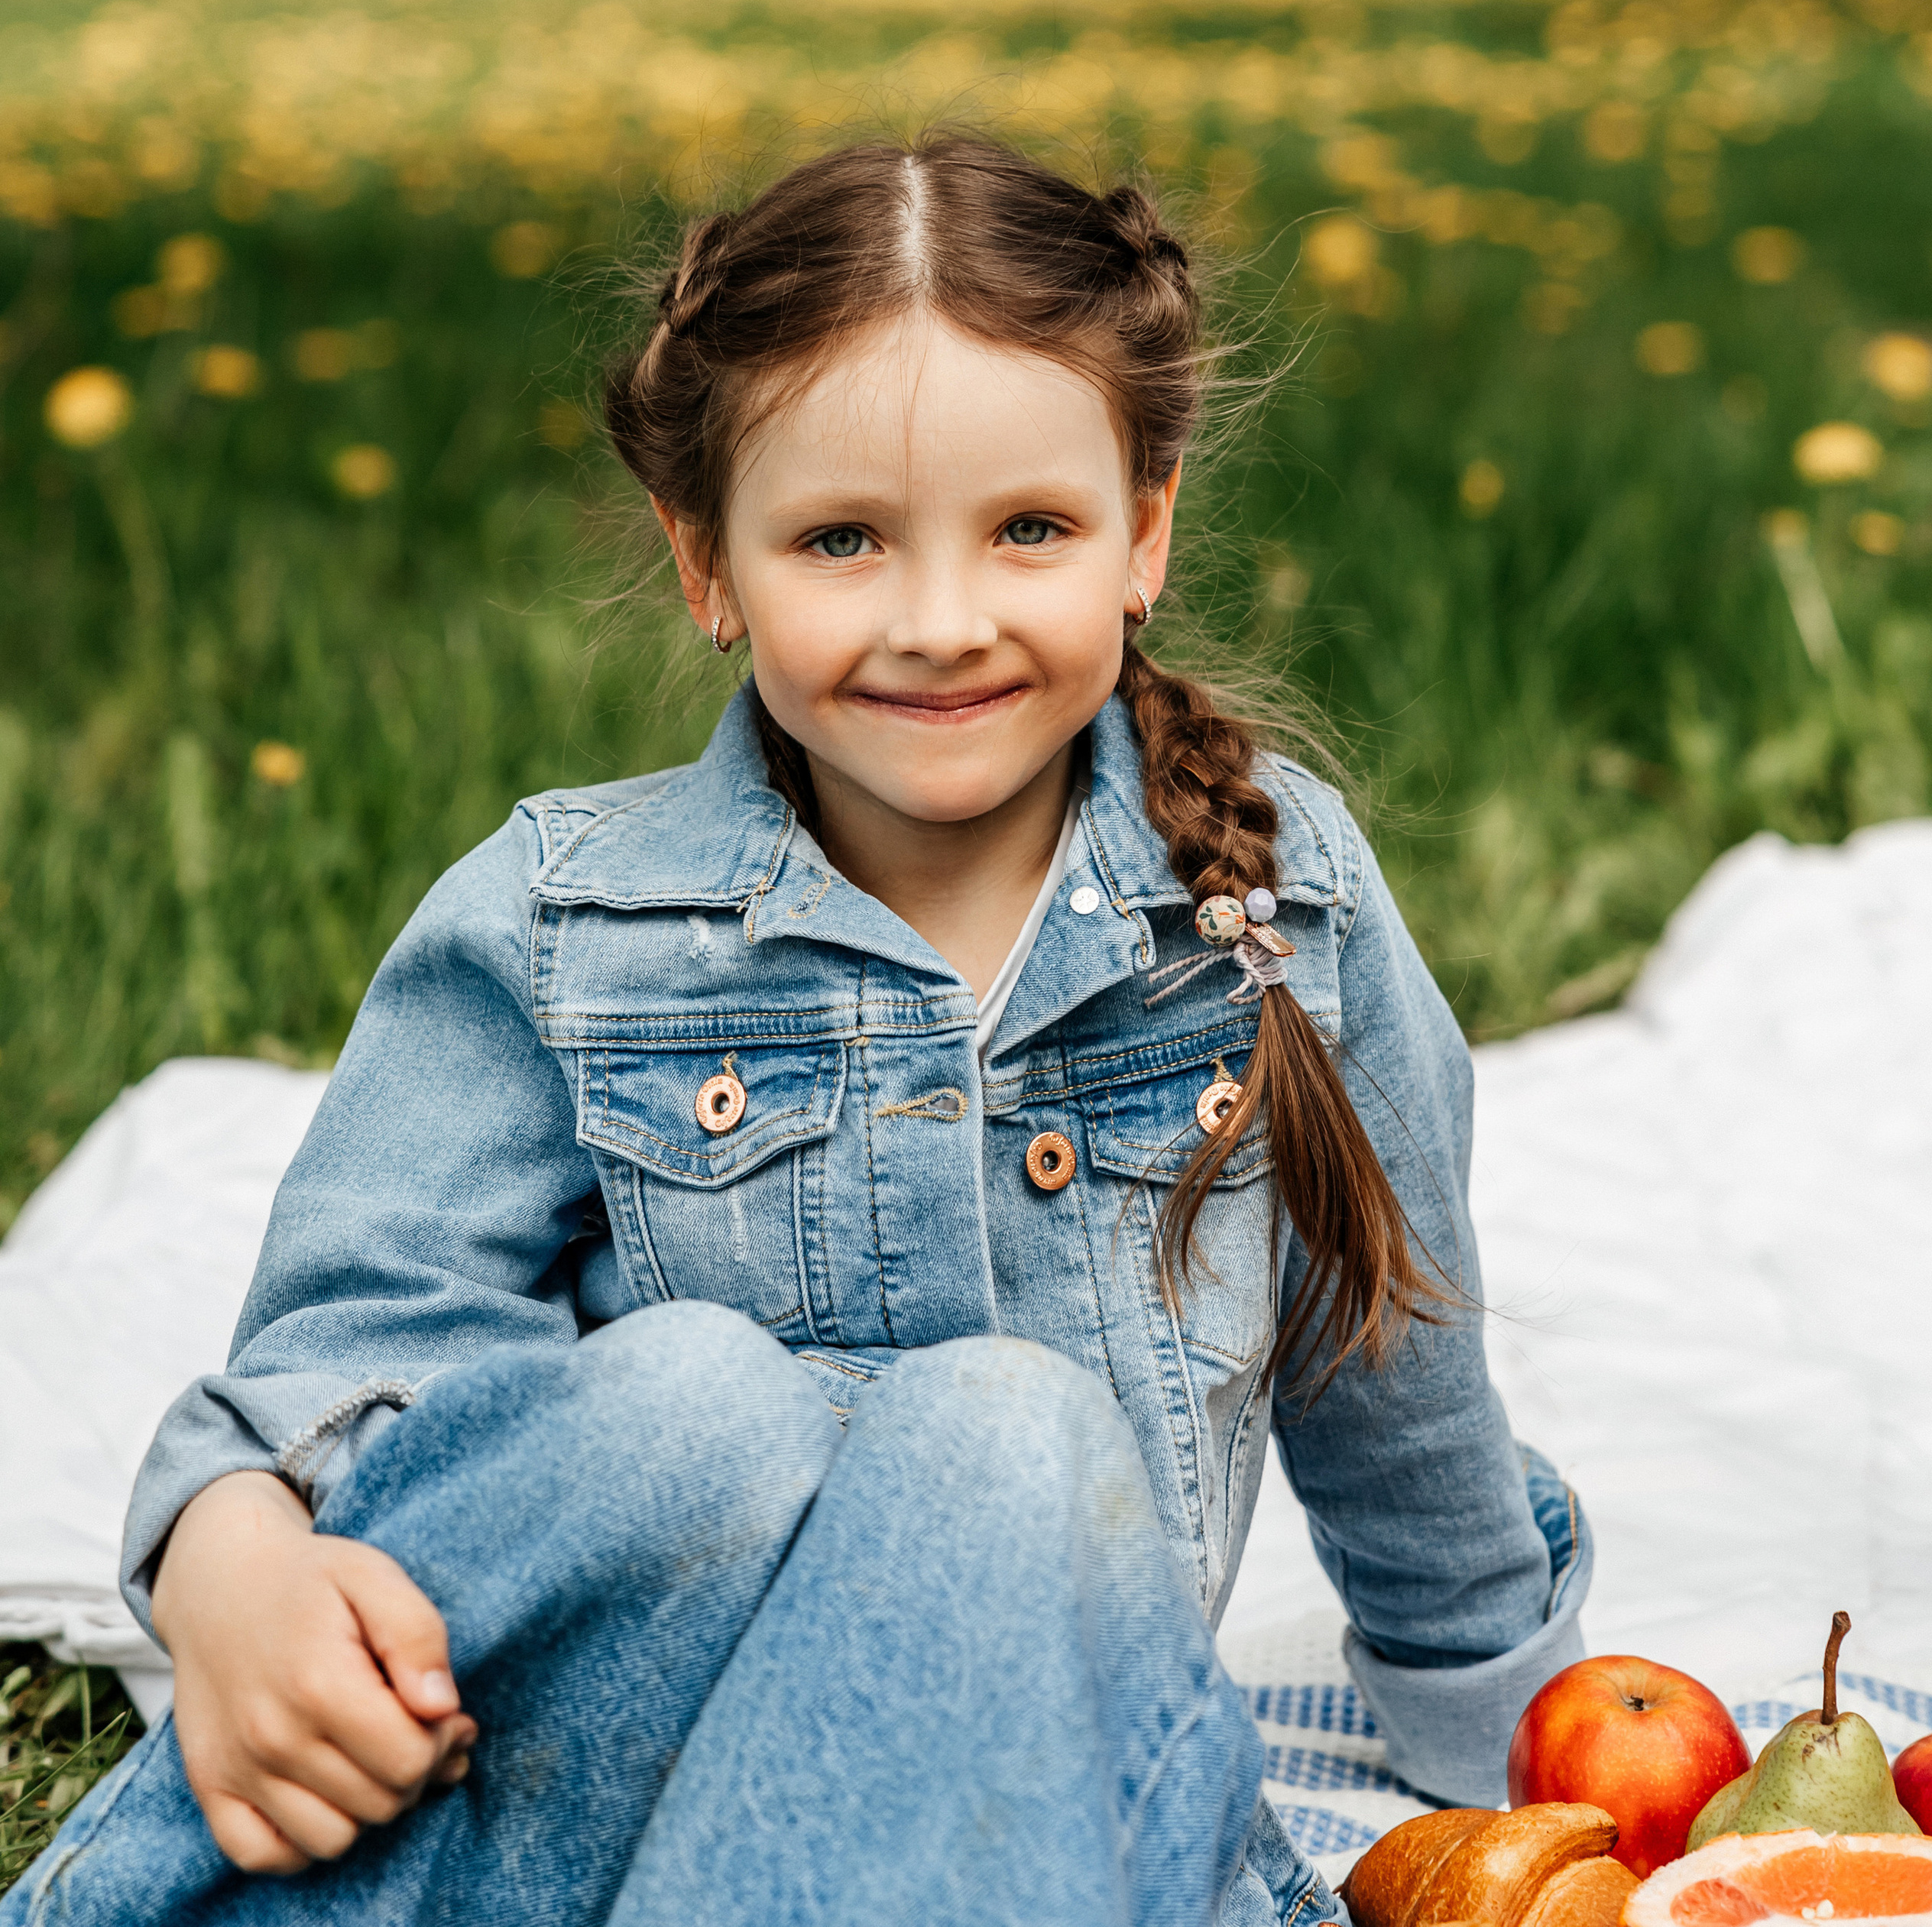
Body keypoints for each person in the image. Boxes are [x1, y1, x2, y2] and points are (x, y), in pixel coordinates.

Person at [7, 135, 1591, 1927]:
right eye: (840, 539)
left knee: (1004, 1435)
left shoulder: (1270, 909)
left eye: (1030, 530)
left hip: (1033, 1799)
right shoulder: (567, 927)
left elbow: (1396, 1384)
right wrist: (230, 1545)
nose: (938, 622)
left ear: (1141, 535)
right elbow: (357, 1365)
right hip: (622, 1783)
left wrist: (1526, 1754)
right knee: (696, 1407)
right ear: (709, 563)